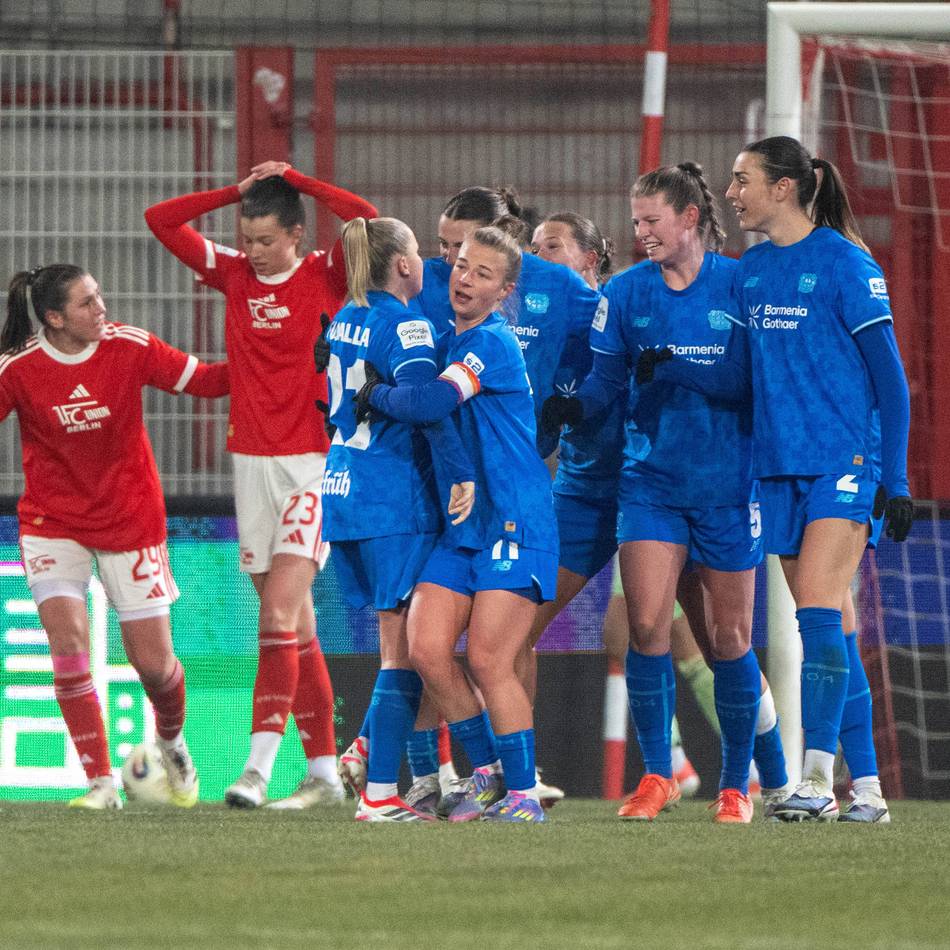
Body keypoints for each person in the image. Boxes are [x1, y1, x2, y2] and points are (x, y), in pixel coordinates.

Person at [644, 137, 912, 822]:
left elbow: (892, 379)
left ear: (785, 188)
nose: (731, 194)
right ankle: (871, 792)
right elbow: (740, 376)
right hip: (778, 468)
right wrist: (672, 363)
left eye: (742, 181)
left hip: (844, 461)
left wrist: (898, 477)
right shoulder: (752, 269)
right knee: (836, 631)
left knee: (817, 612)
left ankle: (818, 780)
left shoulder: (847, 264)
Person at [543, 163, 785, 823]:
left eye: (652, 220)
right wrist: (570, 408)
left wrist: (679, 368)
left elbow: (751, 382)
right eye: (637, 220)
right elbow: (603, 382)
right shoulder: (625, 295)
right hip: (649, 484)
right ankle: (658, 777)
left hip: (728, 489)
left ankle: (739, 786)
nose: (641, 231)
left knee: (729, 637)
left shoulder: (740, 283)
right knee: (646, 625)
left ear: (689, 220)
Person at [145, 161, 377, 808]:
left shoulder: (326, 274)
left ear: (297, 236)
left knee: (277, 614)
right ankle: (326, 774)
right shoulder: (234, 275)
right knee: (294, 627)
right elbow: (159, 220)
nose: (254, 253)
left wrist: (301, 180)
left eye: (267, 241)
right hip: (250, 464)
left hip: (314, 464)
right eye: (247, 240)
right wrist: (236, 193)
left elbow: (365, 217)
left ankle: (256, 766)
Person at [0, 264, 230, 809]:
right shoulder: (20, 369)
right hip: (51, 524)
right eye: (86, 304)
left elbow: (207, 381)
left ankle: (171, 743)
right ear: (54, 318)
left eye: (99, 297)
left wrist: (276, 358)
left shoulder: (129, 346)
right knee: (70, 650)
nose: (101, 309)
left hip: (130, 521)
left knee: (154, 664)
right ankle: (101, 784)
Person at [358, 225, 559, 822]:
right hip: (463, 525)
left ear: (505, 291)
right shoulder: (446, 338)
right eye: (463, 266)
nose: (467, 279)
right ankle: (491, 771)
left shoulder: (492, 344)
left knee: (492, 659)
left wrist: (377, 393)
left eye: (484, 274)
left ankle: (524, 797)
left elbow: (432, 404)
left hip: (516, 520)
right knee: (425, 650)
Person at [321, 215, 475, 821]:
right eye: (419, 250)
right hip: (394, 498)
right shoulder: (404, 322)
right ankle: (381, 791)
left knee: (402, 644)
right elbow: (424, 408)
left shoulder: (346, 316)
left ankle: (374, 762)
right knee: (405, 651)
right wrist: (461, 472)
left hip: (343, 489)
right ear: (405, 264)